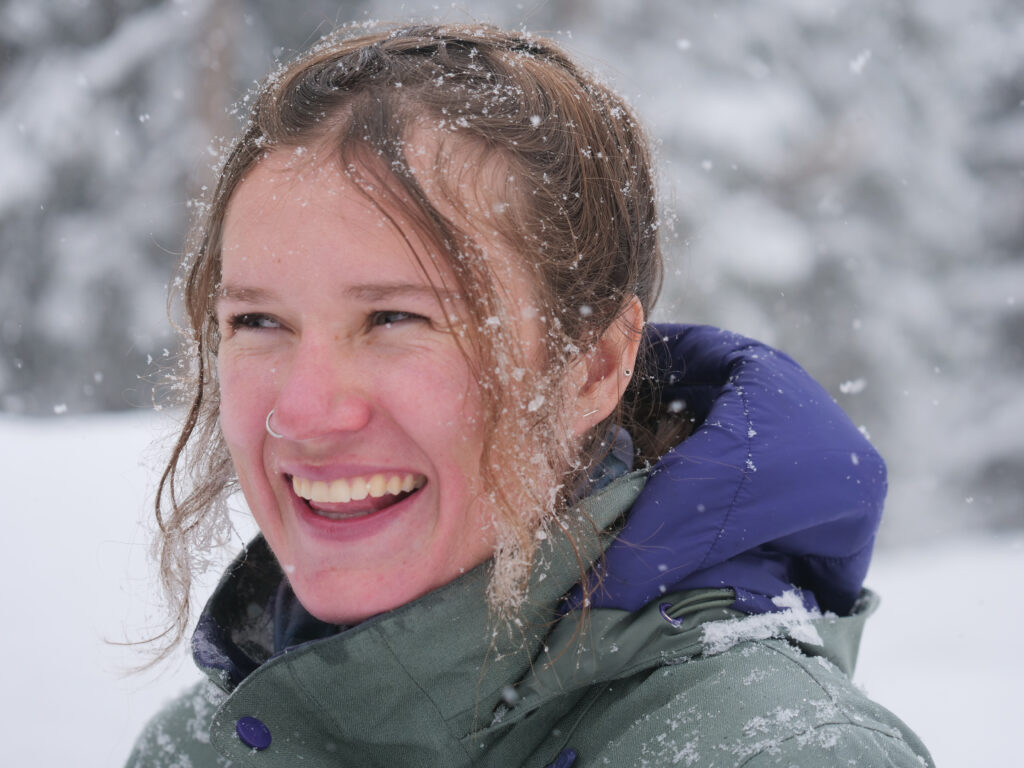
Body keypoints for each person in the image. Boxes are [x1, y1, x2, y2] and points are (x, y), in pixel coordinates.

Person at [127, 22, 933, 768]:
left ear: (591, 368)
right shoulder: (199, 750)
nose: (300, 412)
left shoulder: (768, 753)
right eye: (258, 321)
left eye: (394, 317)